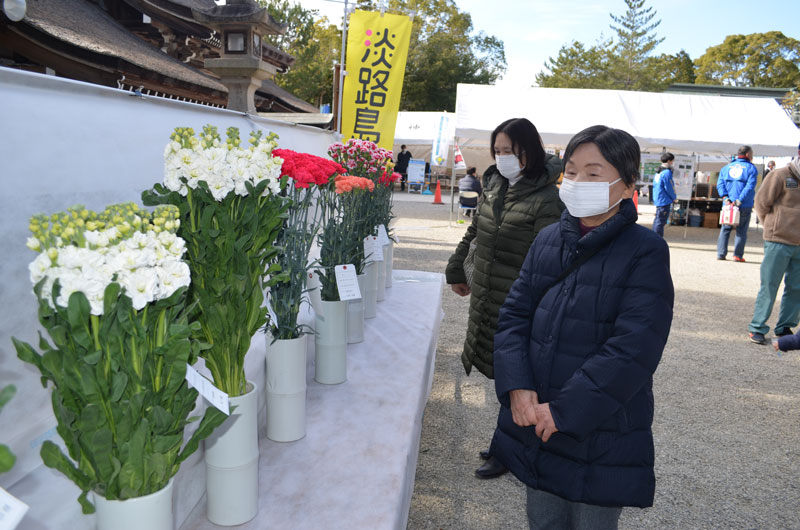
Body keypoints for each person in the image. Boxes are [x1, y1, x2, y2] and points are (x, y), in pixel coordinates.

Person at [492, 125, 674, 530]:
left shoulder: (645, 251)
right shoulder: (548, 239)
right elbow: (513, 317)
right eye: (571, 171)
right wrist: (517, 387)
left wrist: (565, 409)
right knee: (542, 520)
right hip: (535, 418)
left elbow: (635, 348)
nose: (577, 182)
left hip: (599, 427)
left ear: (627, 185)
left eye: (593, 173)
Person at [445, 117, 564, 479]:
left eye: (509, 151)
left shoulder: (547, 198)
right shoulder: (494, 184)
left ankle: (508, 451)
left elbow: (548, 258)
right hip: (487, 294)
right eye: (497, 151)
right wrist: (456, 268)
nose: (502, 157)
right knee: (503, 375)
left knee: (514, 377)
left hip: (519, 302)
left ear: (529, 151)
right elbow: (476, 229)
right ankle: (506, 442)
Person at [747, 151, 800, 345]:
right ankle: (757, 327)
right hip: (778, 240)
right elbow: (761, 203)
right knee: (769, 285)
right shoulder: (779, 175)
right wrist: (772, 227)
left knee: (797, 288)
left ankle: (785, 326)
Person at [716, 145, 758, 262]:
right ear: (748, 155)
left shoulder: (726, 168)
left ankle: (721, 254)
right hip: (744, 204)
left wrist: (725, 198)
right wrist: (740, 200)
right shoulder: (751, 168)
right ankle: (737, 255)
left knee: (725, 229)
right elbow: (750, 186)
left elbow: (720, 184)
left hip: (727, 204)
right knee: (741, 231)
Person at [651, 152, 677, 237]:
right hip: (664, 199)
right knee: (661, 221)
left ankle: (654, 237)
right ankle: (657, 239)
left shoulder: (658, 172)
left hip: (658, 198)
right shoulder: (666, 173)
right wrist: (674, 197)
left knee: (657, 219)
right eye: (672, 161)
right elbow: (669, 187)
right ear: (669, 161)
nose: (673, 163)